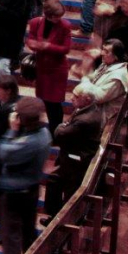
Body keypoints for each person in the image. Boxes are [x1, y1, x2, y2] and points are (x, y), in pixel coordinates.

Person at [0, 97, 52, 254]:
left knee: (11, 239)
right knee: (28, 234)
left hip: (14, 194)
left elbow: (2, 152)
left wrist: (12, 129)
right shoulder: (44, 133)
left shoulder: (28, 143)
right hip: (32, 190)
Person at [43, 89, 101, 220]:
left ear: (87, 99)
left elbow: (60, 133)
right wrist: (64, 125)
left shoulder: (85, 119)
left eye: (76, 96)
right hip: (73, 154)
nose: (71, 98)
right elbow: (65, 128)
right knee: (53, 181)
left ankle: (66, 220)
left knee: (67, 189)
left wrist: (62, 126)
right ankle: (54, 216)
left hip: (78, 159)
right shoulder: (86, 109)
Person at [25, 0, 72, 136]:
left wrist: (48, 46)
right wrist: (32, 45)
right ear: (48, 15)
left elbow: (66, 49)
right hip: (42, 68)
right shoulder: (36, 22)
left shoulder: (65, 25)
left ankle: (55, 133)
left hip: (57, 69)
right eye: (56, 17)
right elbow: (30, 39)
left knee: (55, 103)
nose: (59, 19)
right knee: (45, 100)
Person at [73, 39, 128, 124]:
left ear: (116, 56)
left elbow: (98, 97)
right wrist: (85, 73)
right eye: (103, 49)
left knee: (64, 129)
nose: (102, 53)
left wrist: (84, 77)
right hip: (95, 109)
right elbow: (93, 78)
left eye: (106, 51)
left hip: (103, 117)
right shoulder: (106, 64)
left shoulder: (118, 76)